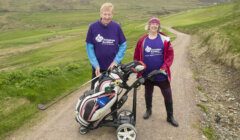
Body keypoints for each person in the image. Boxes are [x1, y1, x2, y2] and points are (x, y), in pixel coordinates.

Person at [133, 17, 179, 127]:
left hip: (161, 74)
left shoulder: (165, 39)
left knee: (167, 94)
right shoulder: (142, 40)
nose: (154, 25)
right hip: (147, 74)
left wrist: (164, 68)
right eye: (152, 23)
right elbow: (136, 57)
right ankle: (148, 110)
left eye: (156, 24)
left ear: (159, 26)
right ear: (148, 26)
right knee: (148, 92)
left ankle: (170, 116)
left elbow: (170, 56)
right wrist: (137, 68)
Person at [86, 2, 127, 89]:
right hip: (98, 69)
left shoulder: (117, 27)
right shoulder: (93, 27)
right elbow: (89, 47)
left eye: (109, 14)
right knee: (95, 92)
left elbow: (123, 45)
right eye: (105, 14)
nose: (107, 17)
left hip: (114, 68)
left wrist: (116, 61)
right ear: (101, 14)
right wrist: (95, 64)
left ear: (112, 14)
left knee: (113, 93)